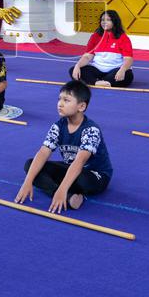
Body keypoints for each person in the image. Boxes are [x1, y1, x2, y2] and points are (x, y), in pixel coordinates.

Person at [16, 80, 112, 213]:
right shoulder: (58, 126)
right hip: (71, 168)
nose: (60, 104)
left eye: (66, 100)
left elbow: (80, 161)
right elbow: (43, 152)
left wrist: (62, 189)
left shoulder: (91, 129)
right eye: (59, 99)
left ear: (81, 106)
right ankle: (69, 197)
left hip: (94, 174)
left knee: (82, 180)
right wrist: (27, 181)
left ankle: (62, 190)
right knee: (30, 165)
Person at [69, 10, 134, 88]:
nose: (104, 22)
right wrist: (77, 66)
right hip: (97, 69)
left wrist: (122, 70)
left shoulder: (123, 38)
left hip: (115, 69)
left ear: (115, 21)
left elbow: (128, 59)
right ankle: (101, 83)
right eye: (102, 20)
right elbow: (87, 56)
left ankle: (95, 82)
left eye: (108, 20)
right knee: (73, 70)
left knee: (128, 75)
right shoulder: (95, 36)